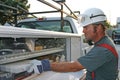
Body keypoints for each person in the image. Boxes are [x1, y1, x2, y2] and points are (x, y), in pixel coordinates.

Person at [27, 8, 118, 80]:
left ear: (98, 28)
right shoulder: (103, 43)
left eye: (86, 27)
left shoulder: (103, 49)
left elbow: (74, 67)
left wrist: (45, 65)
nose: (83, 31)